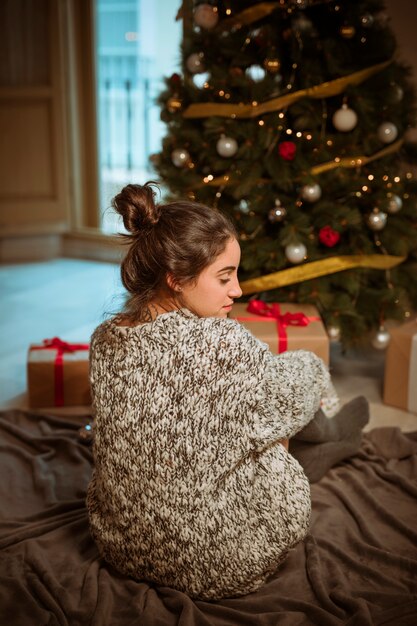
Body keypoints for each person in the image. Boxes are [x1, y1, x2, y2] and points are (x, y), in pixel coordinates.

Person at [86, 181, 368, 600]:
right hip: (223, 560)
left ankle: (332, 439)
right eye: (225, 277)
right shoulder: (223, 344)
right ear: (176, 279)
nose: (237, 290)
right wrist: (313, 369)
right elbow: (297, 387)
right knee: (282, 410)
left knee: (253, 413)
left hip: (120, 547)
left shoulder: (103, 339)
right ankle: (334, 434)